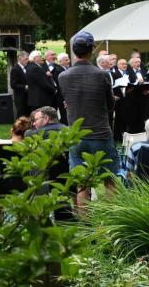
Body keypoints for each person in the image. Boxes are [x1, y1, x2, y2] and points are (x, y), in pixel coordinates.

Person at [58, 31, 120, 207]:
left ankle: (85, 227)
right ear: (91, 50)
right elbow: (110, 105)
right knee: (110, 180)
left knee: (81, 183)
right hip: (100, 134)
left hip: (76, 136)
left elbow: (69, 102)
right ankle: (111, 222)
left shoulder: (63, 76)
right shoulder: (101, 75)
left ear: (74, 51)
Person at [10, 51, 30, 118]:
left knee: (28, 114)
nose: (27, 61)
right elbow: (13, 84)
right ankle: (19, 128)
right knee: (21, 115)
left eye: (28, 59)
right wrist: (25, 87)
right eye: (26, 59)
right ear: (19, 59)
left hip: (28, 96)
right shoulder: (15, 69)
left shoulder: (27, 67)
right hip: (20, 97)